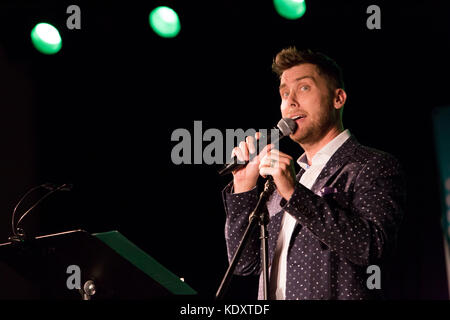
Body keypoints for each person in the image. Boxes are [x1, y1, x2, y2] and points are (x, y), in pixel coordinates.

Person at [222, 47, 406, 300]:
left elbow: (371, 247)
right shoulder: (283, 183)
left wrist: (294, 194)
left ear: (338, 98)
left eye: (304, 88)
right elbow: (245, 264)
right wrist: (244, 187)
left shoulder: (371, 165)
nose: (290, 101)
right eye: (284, 93)